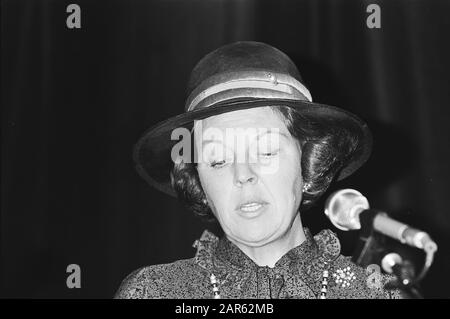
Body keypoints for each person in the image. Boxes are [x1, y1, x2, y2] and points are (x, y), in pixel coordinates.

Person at [115, 41, 400, 299]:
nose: (242, 174)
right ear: (198, 182)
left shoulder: (376, 293)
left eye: (265, 151)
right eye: (218, 160)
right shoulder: (151, 292)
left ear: (309, 161)